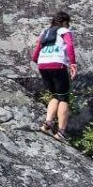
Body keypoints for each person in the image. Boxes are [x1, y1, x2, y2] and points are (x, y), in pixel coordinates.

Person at [31, 11, 77, 140]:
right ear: (64, 22)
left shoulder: (44, 32)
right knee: (64, 98)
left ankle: (47, 124)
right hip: (57, 64)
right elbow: (70, 45)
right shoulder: (64, 31)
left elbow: (36, 50)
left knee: (54, 95)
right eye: (68, 23)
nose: (68, 26)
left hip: (42, 64)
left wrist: (38, 60)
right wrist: (73, 64)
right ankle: (61, 132)